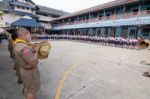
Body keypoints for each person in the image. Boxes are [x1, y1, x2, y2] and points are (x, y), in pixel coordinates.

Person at [14, 28, 41, 99]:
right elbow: (32, 62)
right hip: (30, 72)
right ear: (23, 35)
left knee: (28, 88)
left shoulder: (19, 44)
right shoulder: (24, 47)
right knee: (31, 91)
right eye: (28, 34)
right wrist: (37, 51)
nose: (30, 36)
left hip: (25, 71)